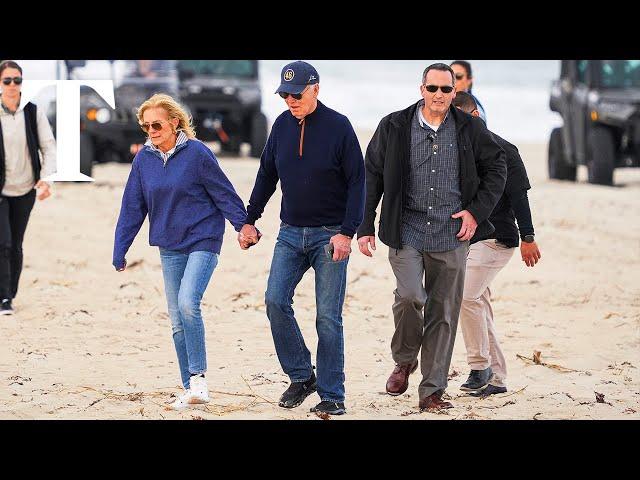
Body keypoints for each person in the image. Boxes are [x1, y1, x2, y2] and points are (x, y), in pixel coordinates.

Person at [357, 63, 506, 411]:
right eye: (432, 88)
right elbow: (372, 175)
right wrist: (364, 225)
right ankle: (405, 358)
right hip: (406, 230)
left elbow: (497, 166)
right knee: (409, 296)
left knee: (444, 312)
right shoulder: (393, 125)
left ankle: (432, 391)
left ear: (454, 93)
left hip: (451, 235)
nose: (438, 95)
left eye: (445, 89)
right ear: (421, 89)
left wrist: (476, 212)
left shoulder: (470, 128)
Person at [113, 93, 252, 409]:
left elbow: (224, 193)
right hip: (170, 245)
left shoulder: (198, 154)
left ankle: (199, 381)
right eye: (146, 126)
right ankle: (190, 388)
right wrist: (120, 247)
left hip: (203, 239)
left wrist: (243, 226)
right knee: (176, 319)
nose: (151, 130)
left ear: (175, 122)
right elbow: (132, 207)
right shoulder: (143, 160)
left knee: (189, 303)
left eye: (157, 124)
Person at [241, 61, 365, 416]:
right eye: (284, 95)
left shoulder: (339, 127)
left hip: (331, 236)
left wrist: (348, 232)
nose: (290, 100)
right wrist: (249, 220)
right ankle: (301, 375)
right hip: (290, 234)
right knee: (275, 301)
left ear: (316, 89)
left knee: (328, 318)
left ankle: (332, 395)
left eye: (296, 94)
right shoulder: (280, 126)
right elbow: (267, 175)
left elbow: (358, 181)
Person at [453, 91, 541, 397]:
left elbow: (519, 195)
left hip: (497, 238)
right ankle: (498, 378)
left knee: (466, 297)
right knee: (479, 304)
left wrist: (528, 236)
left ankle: (480, 367)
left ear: (474, 116)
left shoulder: (504, 149)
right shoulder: (455, 151)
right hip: (469, 241)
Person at [0, 60, 56, 315]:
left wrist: (46, 179)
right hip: (1, 190)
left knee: (17, 244)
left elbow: (48, 147)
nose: (13, 85)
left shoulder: (33, 112)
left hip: (25, 189)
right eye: (7, 80)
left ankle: (10, 292)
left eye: (17, 80)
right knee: (3, 243)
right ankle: (3, 299)